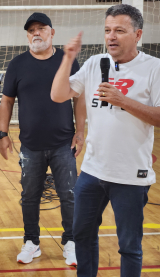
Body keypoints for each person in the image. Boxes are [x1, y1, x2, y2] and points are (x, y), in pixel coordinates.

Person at [51, 4, 160, 277]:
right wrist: (68, 57)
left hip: (131, 176)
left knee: (129, 247)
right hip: (92, 171)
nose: (111, 36)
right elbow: (58, 94)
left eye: (120, 31)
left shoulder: (154, 68)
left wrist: (122, 100)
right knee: (83, 236)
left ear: (138, 35)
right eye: (108, 30)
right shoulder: (95, 63)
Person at [0, 12, 85, 266]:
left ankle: (70, 242)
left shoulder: (67, 61)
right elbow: (7, 101)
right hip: (30, 145)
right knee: (29, 195)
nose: (36, 33)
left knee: (69, 194)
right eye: (31, 30)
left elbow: (79, 98)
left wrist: (80, 132)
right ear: (27, 35)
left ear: (52, 32)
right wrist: (3, 133)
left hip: (63, 143)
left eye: (41, 29)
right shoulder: (17, 64)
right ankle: (31, 242)